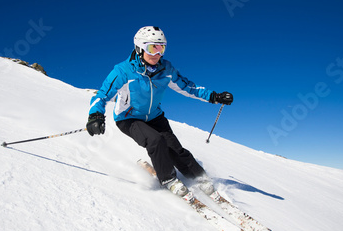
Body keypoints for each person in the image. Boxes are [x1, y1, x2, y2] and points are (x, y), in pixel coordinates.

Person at [86, 26, 233, 197]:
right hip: (128, 118)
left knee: (174, 148)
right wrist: (95, 115)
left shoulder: (166, 70)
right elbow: (102, 95)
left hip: (155, 117)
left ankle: (199, 177)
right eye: (152, 48)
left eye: (161, 48)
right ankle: (169, 179)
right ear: (140, 48)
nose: (158, 54)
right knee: (156, 141)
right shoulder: (123, 71)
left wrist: (214, 96)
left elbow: (188, 87)